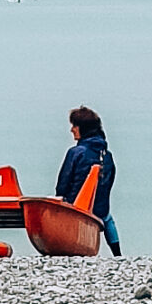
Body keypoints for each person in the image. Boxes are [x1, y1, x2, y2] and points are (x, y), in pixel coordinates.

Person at [57, 104, 121, 256]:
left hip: (76, 207)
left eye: (74, 126)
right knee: (108, 218)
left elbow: (62, 184)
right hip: (100, 209)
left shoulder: (76, 152)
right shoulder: (107, 155)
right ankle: (117, 254)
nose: (71, 130)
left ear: (83, 128)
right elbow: (109, 183)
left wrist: (64, 200)